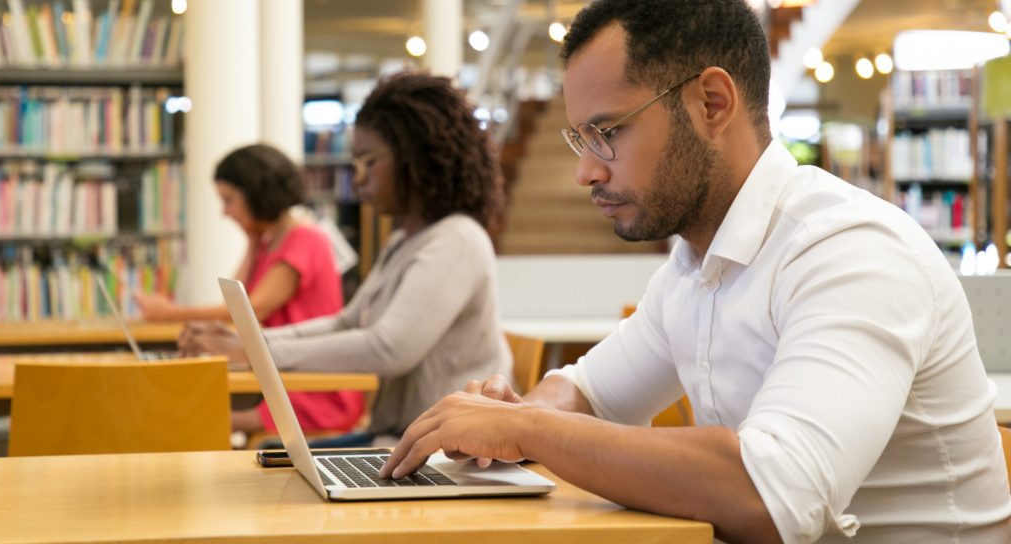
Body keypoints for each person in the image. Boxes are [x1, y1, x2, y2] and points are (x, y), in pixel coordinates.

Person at [379, 1, 1011, 542]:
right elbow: (590, 396)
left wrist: (527, 429)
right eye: (580, 138)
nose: (586, 172)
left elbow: (770, 497)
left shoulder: (850, 250)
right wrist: (509, 419)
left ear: (712, 103)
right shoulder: (692, 267)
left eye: (607, 132)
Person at [179, 73, 511, 446]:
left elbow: (388, 349)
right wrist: (250, 339)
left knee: (268, 461)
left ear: (415, 158)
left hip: (439, 450)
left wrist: (254, 349)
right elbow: (347, 322)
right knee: (269, 457)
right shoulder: (405, 241)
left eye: (369, 162)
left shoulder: (457, 239)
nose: (359, 180)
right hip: (400, 437)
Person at [135, 144, 364, 437]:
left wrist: (170, 314)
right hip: (285, 379)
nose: (225, 212)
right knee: (193, 411)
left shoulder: (305, 239)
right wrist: (253, 243)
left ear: (257, 196)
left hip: (315, 390)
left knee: (194, 417)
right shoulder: (270, 242)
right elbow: (235, 302)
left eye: (229, 200)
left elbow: (253, 309)